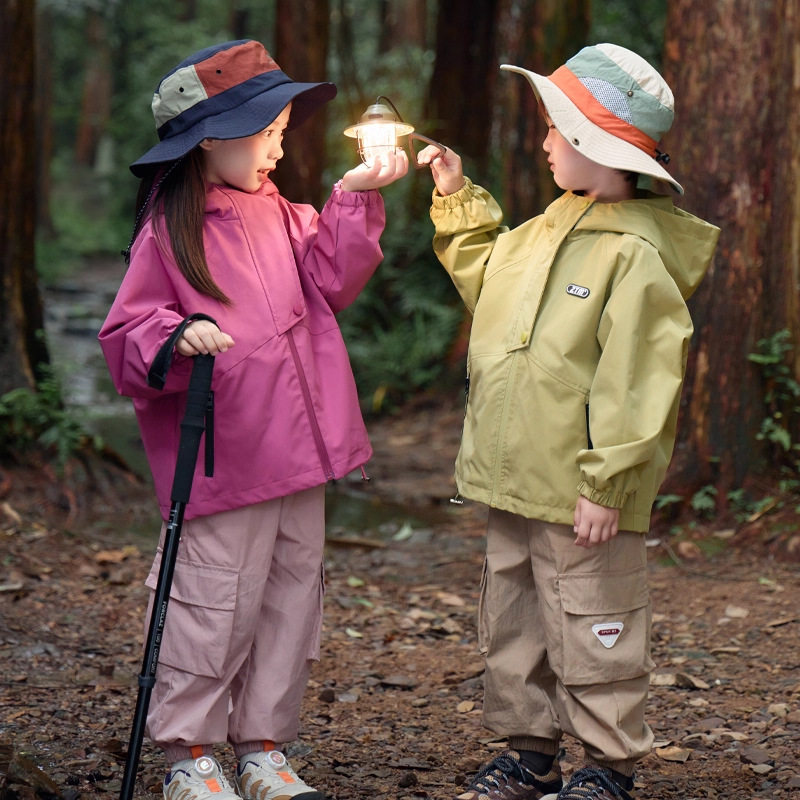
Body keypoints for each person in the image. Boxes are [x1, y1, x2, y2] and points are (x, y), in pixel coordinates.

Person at [99, 39, 407, 800]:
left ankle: (264, 747)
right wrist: (176, 334)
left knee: (289, 600)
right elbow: (127, 334)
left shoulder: (286, 215)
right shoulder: (171, 231)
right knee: (213, 602)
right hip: (224, 458)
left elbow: (333, 279)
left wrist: (355, 194)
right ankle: (190, 753)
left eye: (281, 132)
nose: (278, 147)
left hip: (300, 453)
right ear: (212, 139)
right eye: (267, 132)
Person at [416, 43, 719, 800]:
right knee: (513, 617)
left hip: (584, 490)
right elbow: (491, 284)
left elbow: (637, 378)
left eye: (555, 128)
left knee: (595, 621)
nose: (546, 140)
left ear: (593, 143)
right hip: (516, 476)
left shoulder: (635, 254)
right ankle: (530, 754)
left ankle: (608, 767)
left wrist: (607, 482)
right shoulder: (545, 231)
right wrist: (456, 199)